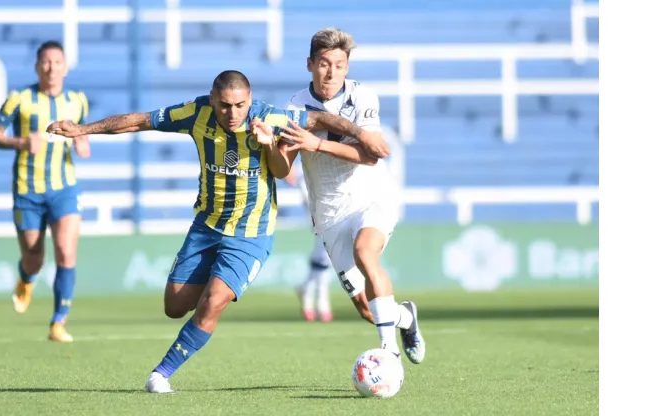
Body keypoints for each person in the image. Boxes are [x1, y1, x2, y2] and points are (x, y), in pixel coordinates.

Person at [47, 70, 385, 393]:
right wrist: (82, 129)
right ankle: (203, 305)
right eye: (224, 105)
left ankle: (161, 374)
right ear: (213, 98)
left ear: (249, 99)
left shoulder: (271, 119)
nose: (232, 113)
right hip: (207, 227)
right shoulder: (196, 112)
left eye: (239, 105)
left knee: (213, 302)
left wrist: (358, 133)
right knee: (175, 305)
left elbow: (300, 147)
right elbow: (139, 120)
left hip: (250, 234)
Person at [278, 28, 426, 364]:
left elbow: (371, 154)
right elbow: (284, 160)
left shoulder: (362, 97)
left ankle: (388, 352)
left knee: (365, 253)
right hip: (330, 212)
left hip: (370, 197)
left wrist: (316, 143)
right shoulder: (294, 107)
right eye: (324, 64)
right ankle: (406, 318)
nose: (331, 72)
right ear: (310, 64)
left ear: (347, 67)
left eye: (339, 65)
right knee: (367, 309)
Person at [0, 40, 91, 343]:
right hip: (27, 189)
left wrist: (83, 140)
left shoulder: (78, 101)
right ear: (36, 67)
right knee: (34, 257)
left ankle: (58, 322)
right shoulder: (20, 99)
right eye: (45, 62)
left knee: (66, 253)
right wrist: (20, 142)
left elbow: (82, 132)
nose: (51, 68)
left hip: (64, 188)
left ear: (65, 68)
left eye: (57, 62)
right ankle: (26, 278)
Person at [284, 161, 334, 322]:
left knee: (326, 245)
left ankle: (308, 290)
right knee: (326, 239)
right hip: (312, 177)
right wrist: (288, 163)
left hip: (331, 181)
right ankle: (321, 301)